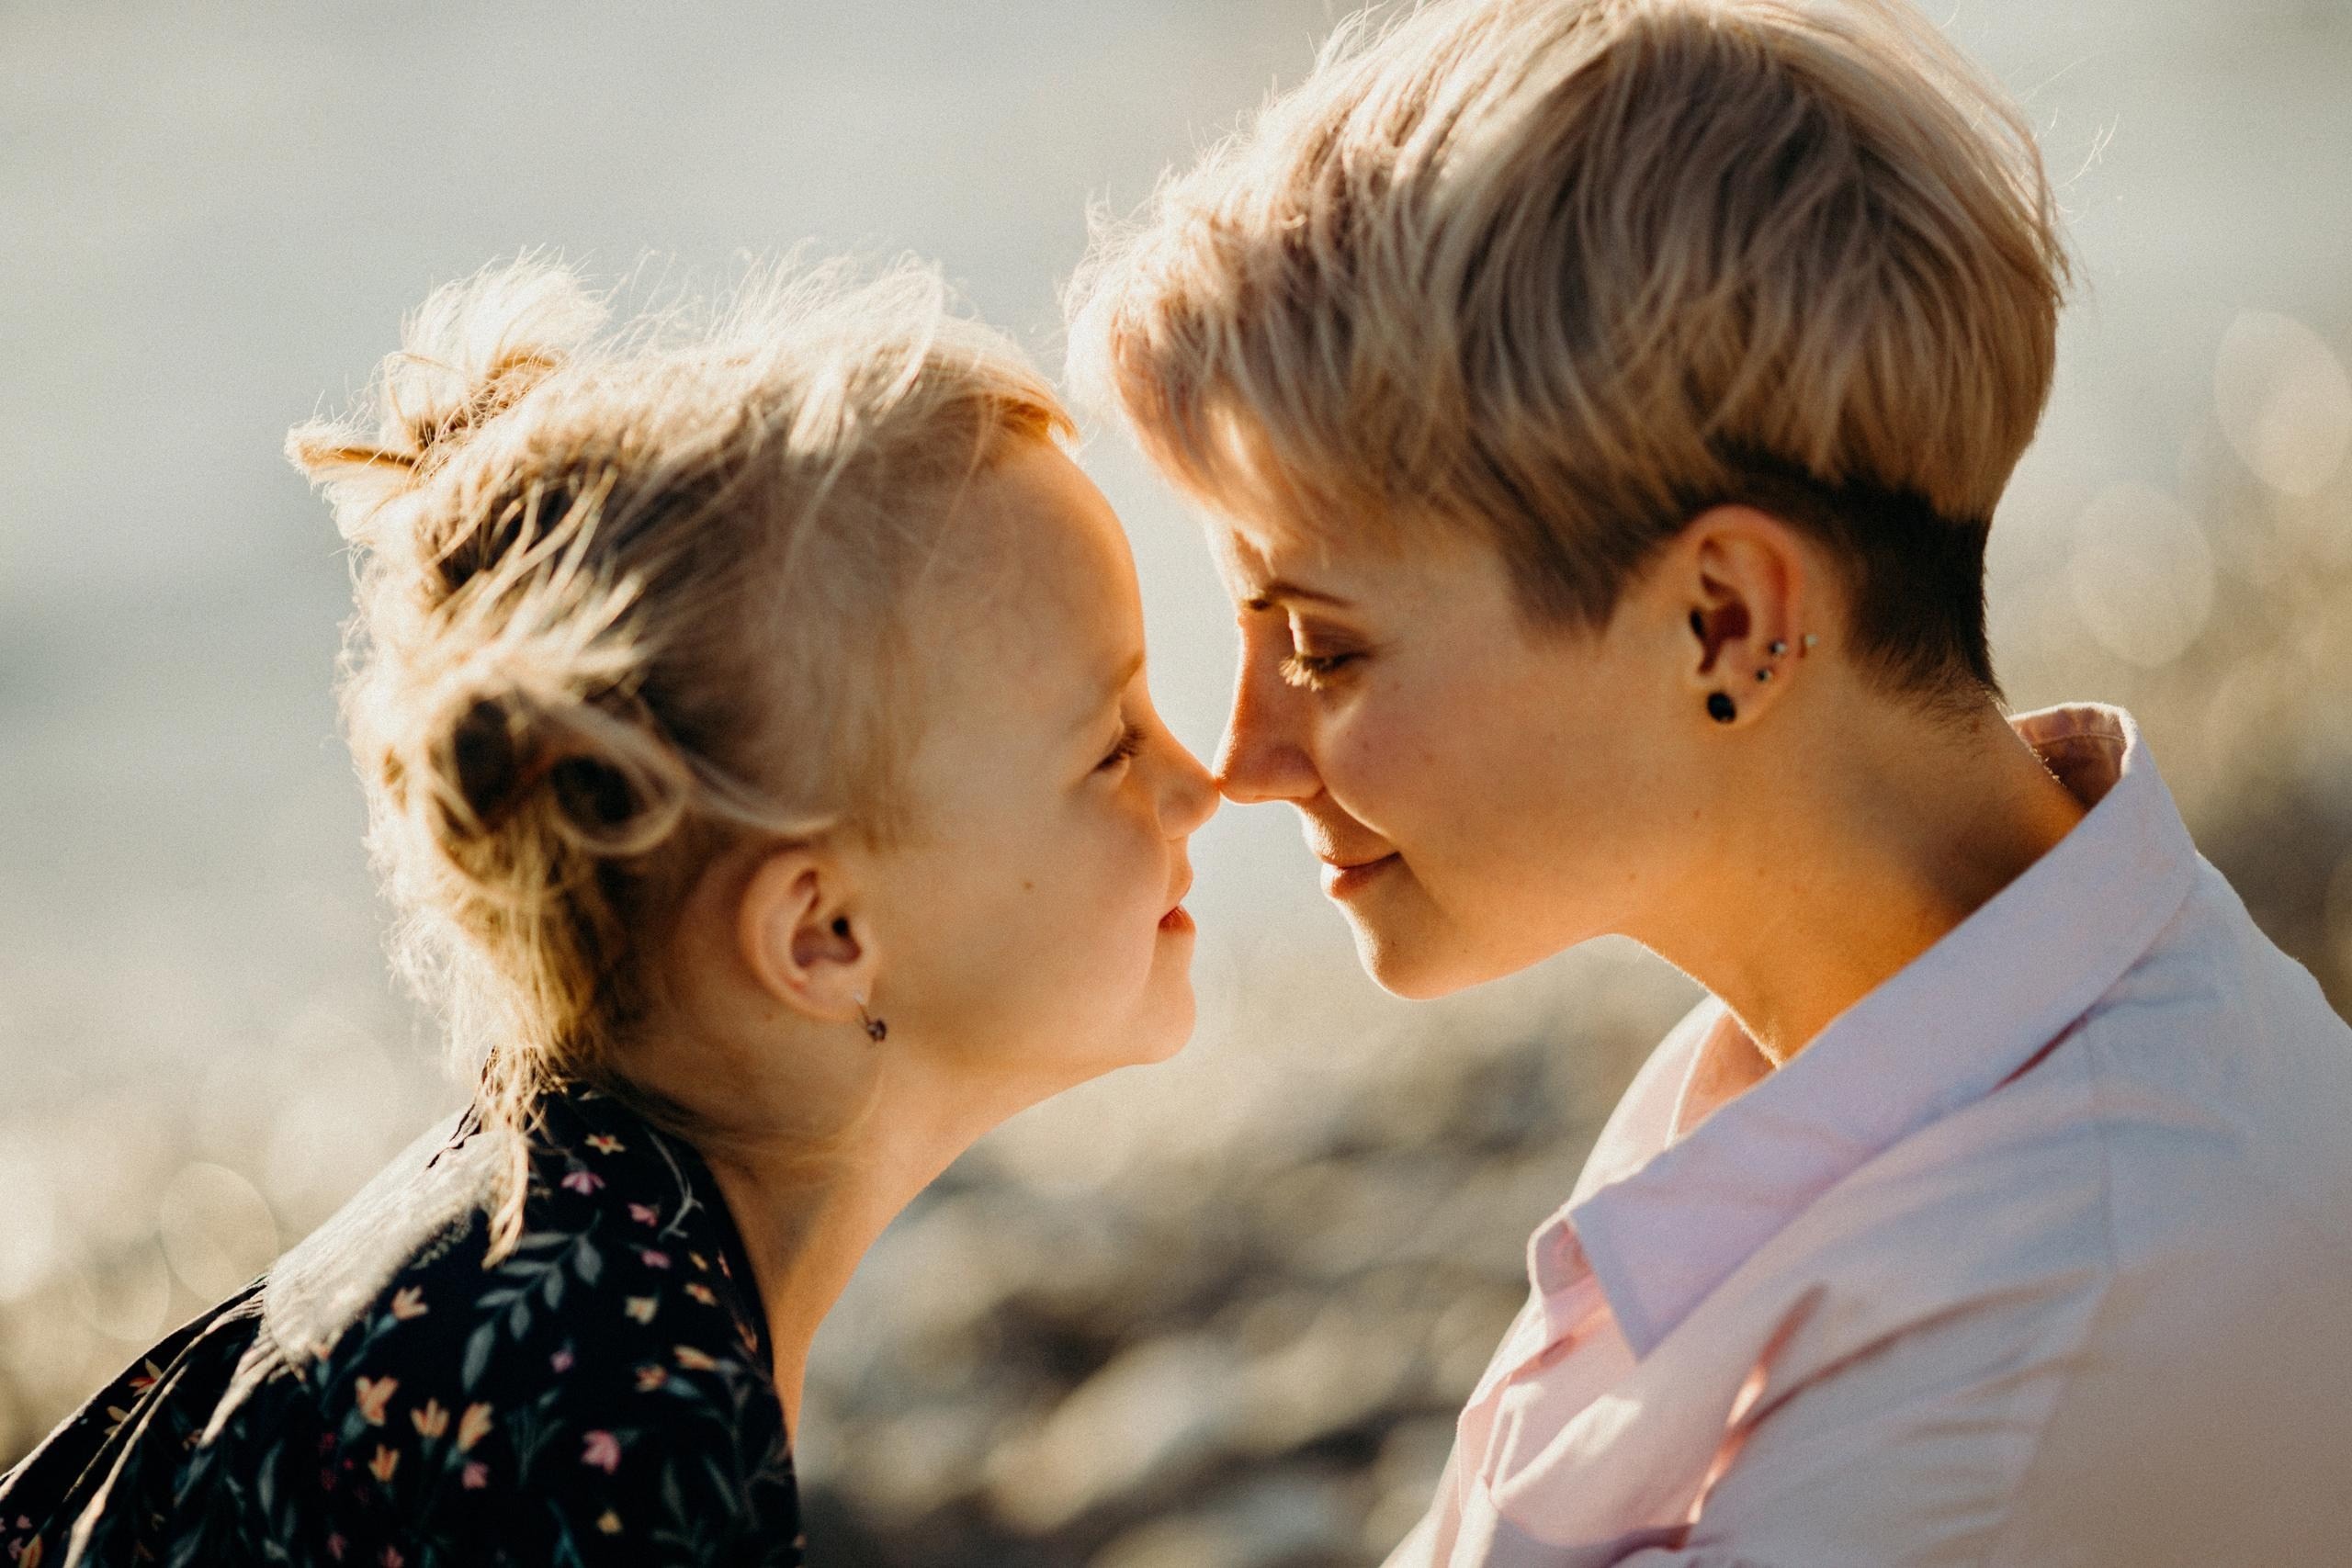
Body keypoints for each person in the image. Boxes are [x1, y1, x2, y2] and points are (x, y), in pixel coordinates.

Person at [1067, 0, 2352, 1562]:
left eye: (1324, 650)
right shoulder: (1861, 1051)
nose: (1242, 760)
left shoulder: (2010, 1367)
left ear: (1724, 624)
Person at [0, 259, 1216, 1566]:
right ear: (820, 936)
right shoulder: (606, 1404)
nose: (1201, 783)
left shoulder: (561, 1251)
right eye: (1111, 745)